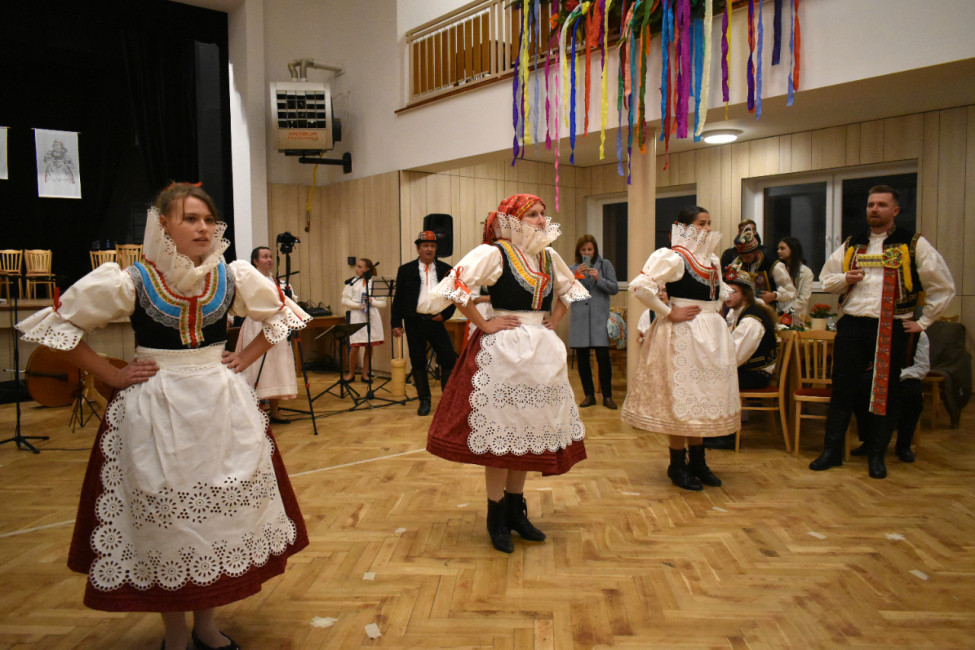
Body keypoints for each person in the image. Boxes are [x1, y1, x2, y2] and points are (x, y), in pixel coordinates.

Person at [16, 183, 311, 650]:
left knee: (216, 518)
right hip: (155, 408)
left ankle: (206, 626)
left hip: (221, 407)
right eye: (190, 218)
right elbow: (59, 328)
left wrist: (244, 355)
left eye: (208, 220)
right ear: (164, 226)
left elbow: (281, 318)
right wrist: (111, 375)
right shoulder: (133, 280)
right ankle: (175, 634)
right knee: (166, 521)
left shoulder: (231, 276)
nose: (203, 228)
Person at [425, 194, 589, 553]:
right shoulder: (495, 253)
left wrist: (554, 319)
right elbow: (454, 286)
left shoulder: (549, 256)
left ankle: (516, 511)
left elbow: (571, 289)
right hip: (504, 354)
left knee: (525, 433)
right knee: (503, 434)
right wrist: (485, 323)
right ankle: (496, 516)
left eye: (543, 214)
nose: (541, 220)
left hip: (541, 355)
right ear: (512, 220)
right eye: (532, 215)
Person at [809, 185, 955, 479]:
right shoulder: (852, 243)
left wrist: (924, 322)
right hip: (852, 323)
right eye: (871, 204)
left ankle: (877, 455)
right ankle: (832, 451)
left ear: (895, 210)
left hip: (890, 325)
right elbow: (826, 280)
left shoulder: (913, 243)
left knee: (885, 392)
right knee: (842, 389)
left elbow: (942, 286)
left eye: (881, 205)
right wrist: (845, 278)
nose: (874, 209)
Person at [621, 206, 739, 491]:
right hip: (683, 335)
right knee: (681, 399)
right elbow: (639, 287)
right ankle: (677, 464)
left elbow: (717, 296)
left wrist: (715, 320)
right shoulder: (674, 257)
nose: (707, 229)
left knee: (700, 399)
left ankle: (698, 462)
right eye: (701, 223)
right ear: (683, 227)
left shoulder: (712, 259)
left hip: (709, 337)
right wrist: (668, 311)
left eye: (709, 223)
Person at [707, 269, 779, 449]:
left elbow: (735, 356)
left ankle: (727, 436)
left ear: (745, 294)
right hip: (747, 370)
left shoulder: (751, 321)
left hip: (757, 374)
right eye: (727, 291)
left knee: (716, 379)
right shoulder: (737, 313)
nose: (728, 295)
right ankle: (714, 430)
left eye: (734, 291)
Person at [391, 230, 458, 416]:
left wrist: (445, 315)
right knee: (418, 362)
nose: (429, 249)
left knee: (449, 359)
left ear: (436, 249)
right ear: (418, 249)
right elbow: (399, 298)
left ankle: (446, 401)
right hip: (414, 322)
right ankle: (424, 401)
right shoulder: (406, 270)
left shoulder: (446, 269)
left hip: (436, 321)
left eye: (432, 246)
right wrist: (395, 322)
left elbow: (454, 297)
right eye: (425, 246)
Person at [235, 246, 298, 424]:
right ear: (255, 261)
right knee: (255, 366)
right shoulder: (249, 280)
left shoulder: (279, 282)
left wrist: (289, 297)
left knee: (276, 366)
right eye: (264, 257)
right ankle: (254, 412)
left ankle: (275, 411)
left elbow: (290, 303)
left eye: (270, 256)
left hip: (277, 327)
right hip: (256, 325)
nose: (269, 259)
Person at [852, 331, 929, 463]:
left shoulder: (918, 334)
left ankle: (904, 446)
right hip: (877, 375)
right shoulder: (873, 329)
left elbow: (922, 368)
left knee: (913, 395)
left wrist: (894, 375)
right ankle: (869, 441)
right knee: (860, 389)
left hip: (904, 377)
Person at [568, 234, 619, 409]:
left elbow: (614, 288)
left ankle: (607, 396)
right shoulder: (572, 269)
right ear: (579, 252)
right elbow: (566, 292)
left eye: (590, 249)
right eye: (583, 250)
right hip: (580, 320)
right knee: (582, 360)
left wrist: (598, 279)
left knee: (603, 358)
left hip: (599, 319)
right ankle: (589, 395)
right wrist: (575, 277)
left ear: (595, 250)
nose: (587, 252)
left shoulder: (605, 265)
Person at [727, 224, 796, 312]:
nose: (744, 260)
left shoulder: (774, 266)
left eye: (747, 257)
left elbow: (790, 291)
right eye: (742, 257)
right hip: (744, 310)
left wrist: (774, 296)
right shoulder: (738, 262)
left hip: (767, 312)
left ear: (757, 252)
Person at [341, 258, 386, 382]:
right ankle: (351, 373)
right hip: (357, 316)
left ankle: (365, 373)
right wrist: (359, 305)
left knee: (369, 346)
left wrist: (372, 301)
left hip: (372, 316)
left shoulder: (375, 282)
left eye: (360, 267)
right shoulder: (352, 282)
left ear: (368, 269)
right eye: (357, 266)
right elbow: (344, 300)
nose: (357, 269)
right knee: (355, 346)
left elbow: (383, 303)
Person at [776, 236, 814, 322]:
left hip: (795, 316)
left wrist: (785, 313)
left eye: (782, 248)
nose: (778, 251)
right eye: (778, 248)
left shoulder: (806, 272)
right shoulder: (778, 269)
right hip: (777, 314)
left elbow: (803, 299)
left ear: (793, 250)